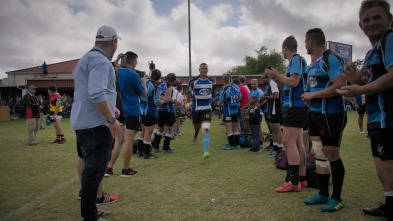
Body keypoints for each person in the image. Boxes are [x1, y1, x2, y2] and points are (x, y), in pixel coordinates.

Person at [336, 0, 393, 218]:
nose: (371, 23)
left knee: (388, 170)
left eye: (377, 17)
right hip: (376, 117)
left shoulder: (390, 40)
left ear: (389, 19)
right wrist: (353, 82)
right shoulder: (371, 53)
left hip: (388, 116)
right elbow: (360, 83)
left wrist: (358, 89)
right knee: (382, 172)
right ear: (360, 25)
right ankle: (389, 204)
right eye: (366, 20)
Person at [71, 25, 124, 221]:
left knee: (89, 169)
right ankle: (90, 216)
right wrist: (112, 120)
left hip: (84, 123)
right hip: (96, 126)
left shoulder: (85, 58)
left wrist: (112, 108)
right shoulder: (101, 62)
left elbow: (89, 92)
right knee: (94, 173)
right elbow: (96, 93)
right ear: (114, 42)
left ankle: (91, 210)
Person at [301, 28, 347, 212]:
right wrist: (309, 97)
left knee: (331, 155)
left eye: (305, 42)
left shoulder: (332, 58)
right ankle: (323, 193)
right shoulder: (313, 65)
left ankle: (336, 197)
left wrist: (313, 95)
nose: (305, 45)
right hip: (314, 114)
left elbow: (340, 85)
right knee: (319, 154)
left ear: (311, 42)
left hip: (331, 114)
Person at [267, 36, 308, 192]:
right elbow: (287, 89)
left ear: (285, 48)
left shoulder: (296, 59)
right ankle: (301, 179)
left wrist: (278, 76)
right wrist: (277, 79)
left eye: (282, 49)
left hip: (295, 107)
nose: (282, 52)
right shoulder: (293, 63)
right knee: (297, 144)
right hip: (296, 106)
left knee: (288, 143)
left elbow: (294, 82)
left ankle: (294, 182)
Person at [118, 51, 147, 177]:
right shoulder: (133, 74)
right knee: (128, 141)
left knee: (118, 140)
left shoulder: (115, 72)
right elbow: (144, 93)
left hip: (118, 110)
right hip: (132, 110)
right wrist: (144, 81)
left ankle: (109, 167)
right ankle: (126, 169)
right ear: (133, 61)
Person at [186, 63, 214, 159]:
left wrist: (211, 99)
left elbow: (210, 92)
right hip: (196, 109)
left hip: (207, 109)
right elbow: (188, 92)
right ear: (199, 70)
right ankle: (196, 134)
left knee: (206, 129)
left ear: (207, 70)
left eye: (206, 68)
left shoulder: (211, 81)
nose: (204, 70)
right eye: (202, 68)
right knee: (196, 126)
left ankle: (206, 152)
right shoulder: (193, 81)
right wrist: (189, 104)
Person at [137, 69, 165, 159]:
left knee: (143, 131)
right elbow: (156, 102)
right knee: (148, 133)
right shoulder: (155, 86)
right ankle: (147, 153)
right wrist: (164, 100)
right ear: (159, 77)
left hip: (142, 110)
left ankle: (139, 150)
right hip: (150, 111)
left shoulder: (145, 83)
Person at [153, 73, 178, 154]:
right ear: (173, 80)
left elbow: (158, 97)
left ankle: (156, 146)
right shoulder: (169, 87)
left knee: (160, 129)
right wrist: (176, 102)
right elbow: (167, 99)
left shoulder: (159, 85)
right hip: (167, 110)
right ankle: (166, 148)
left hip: (159, 109)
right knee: (168, 130)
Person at [262, 74, 283, 157]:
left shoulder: (273, 82)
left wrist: (267, 97)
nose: (263, 79)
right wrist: (266, 96)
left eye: (264, 77)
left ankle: (279, 151)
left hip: (276, 109)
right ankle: (274, 149)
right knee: (273, 130)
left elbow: (276, 95)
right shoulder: (271, 83)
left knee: (277, 130)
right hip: (271, 109)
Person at [219, 74, 241, 150]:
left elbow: (220, 102)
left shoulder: (224, 90)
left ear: (223, 80)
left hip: (228, 111)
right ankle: (237, 144)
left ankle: (231, 145)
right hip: (236, 110)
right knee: (236, 126)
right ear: (230, 79)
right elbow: (240, 97)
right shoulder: (236, 87)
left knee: (229, 127)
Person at [246, 79, 264, 149]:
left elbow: (260, 102)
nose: (253, 85)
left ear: (257, 84)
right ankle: (255, 142)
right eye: (252, 84)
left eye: (254, 84)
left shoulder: (259, 92)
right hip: (251, 112)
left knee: (258, 127)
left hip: (258, 112)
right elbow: (250, 102)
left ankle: (261, 142)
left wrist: (257, 106)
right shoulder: (250, 93)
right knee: (253, 128)